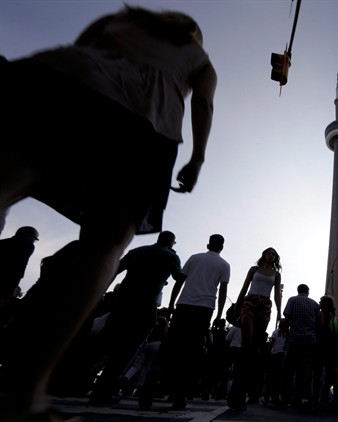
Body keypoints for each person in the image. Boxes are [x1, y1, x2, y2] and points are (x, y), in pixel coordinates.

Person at [0, 5, 216, 421]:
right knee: (104, 246)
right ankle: (26, 391)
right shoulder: (199, 59)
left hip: (58, 81)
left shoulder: (121, 20)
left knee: (6, 184)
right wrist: (198, 158)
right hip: (139, 126)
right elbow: (202, 104)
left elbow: (84, 49)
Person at [89, 230, 183, 404]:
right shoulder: (170, 256)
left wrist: (101, 292)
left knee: (106, 343)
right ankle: (105, 389)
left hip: (122, 301)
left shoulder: (138, 251)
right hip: (145, 305)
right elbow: (179, 277)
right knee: (129, 348)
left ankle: (84, 381)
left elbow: (114, 269)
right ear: (171, 242)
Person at [162, 234, 230, 410]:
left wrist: (171, 304)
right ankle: (181, 393)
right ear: (221, 247)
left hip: (184, 304)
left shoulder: (194, 258)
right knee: (192, 350)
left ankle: (161, 384)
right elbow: (222, 290)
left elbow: (179, 281)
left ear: (208, 244)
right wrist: (220, 313)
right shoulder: (224, 265)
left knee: (174, 345)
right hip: (204, 308)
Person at [227, 247, 283, 410]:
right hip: (249, 304)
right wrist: (237, 306)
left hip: (265, 307)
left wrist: (279, 312)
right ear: (264, 255)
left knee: (254, 348)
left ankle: (245, 393)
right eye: (268, 253)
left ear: (275, 258)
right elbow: (244, 287)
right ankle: (236, 394)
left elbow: (277, 294)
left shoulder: (276, 275)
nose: (271, 256)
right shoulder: (254, 270)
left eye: (273, 254)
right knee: (247, 345)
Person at [281, 284, 320, 409]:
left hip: (294, 339)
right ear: (308, 292)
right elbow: (319, 322)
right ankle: (305, 396)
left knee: (289, 369)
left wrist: (286, 331)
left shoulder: (292, 300)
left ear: (298, 290)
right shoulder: (315, 304)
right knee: (306, 369)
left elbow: (286, 318)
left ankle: (287, 396)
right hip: (310, 341)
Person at [0, 226, 39, 303]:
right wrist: (10, 290)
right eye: (34, 239)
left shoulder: (2, 242)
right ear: (30, 237)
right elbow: (20, 267)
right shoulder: (27, 245)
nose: (33, 242)